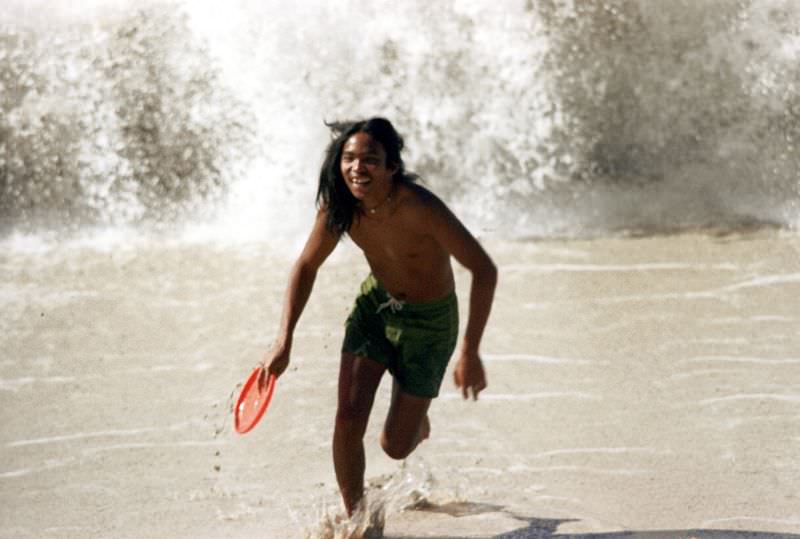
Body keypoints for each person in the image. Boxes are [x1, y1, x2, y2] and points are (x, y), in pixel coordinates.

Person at [261, 117, 497, 517]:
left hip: (431, 324)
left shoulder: (420, 207)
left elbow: (483, 269)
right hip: (376, 311)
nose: (357, 168)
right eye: (349, 158)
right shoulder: (340, 208)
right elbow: (305, 265)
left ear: (391, 166)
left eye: (370, 159)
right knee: (348, 417)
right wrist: (284, 340)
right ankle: (358, 518)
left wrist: (470, 350)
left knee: (395, 446)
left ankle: (415, 422)